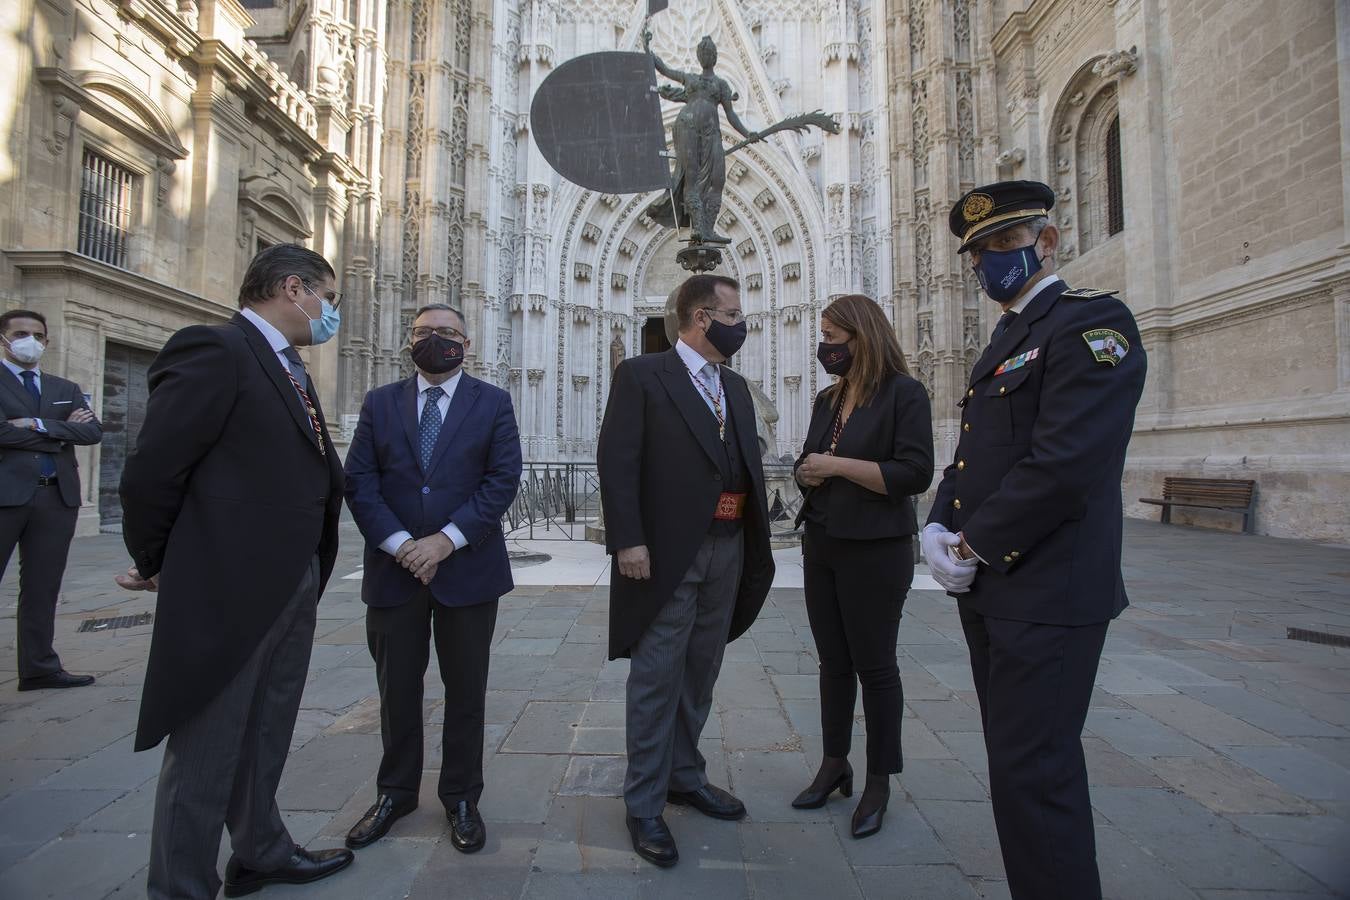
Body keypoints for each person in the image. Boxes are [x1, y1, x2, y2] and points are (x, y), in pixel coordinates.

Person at [920, 180, 1146, 900]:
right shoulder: (1012, 334)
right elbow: (975, 451)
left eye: (1006, 244)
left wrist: (969, 544)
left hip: (1047, 590)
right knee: (1019, 768)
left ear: (1047, 242)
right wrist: (937, 517)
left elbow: (1064, 465)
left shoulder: (1090, 325)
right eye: (980, 251)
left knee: (1036, 775)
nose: (990, 261)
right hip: (1000, 592)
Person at [117, 244, 353, 899]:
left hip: (290, 579)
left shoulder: (289, 367)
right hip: (229, 585)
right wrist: (158, 560)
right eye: (326, 298)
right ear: (291, 287)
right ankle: (180, 885)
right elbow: (151, 471)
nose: (330, 313)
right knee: (207, 745)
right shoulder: (216, 349)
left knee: (268, 727)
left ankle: (260, 850)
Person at [597, 273, 775, 868]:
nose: (740, 322)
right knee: (657, 674)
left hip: (729, 545)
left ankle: (683, 772)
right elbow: (617, 462)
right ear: (701, 317)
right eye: (732, 312)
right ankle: (644, 802)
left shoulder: (737, 388)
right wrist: (628, 540)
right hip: (668, 551)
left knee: (702, 667)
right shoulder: (644, 376)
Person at [342, 303, 522, 854]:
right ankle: (395, 793)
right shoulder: (380, 402)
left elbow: (501, 480)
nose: (435, 341)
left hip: (467, 570)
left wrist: (445, 541)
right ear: (408, 341)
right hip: (395, 572)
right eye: (423, 332)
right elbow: (360, 481)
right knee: (396, 691)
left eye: (447, 333)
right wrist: (402, 545)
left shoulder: (492, 402)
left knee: (466, 691)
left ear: (466, 343)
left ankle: (462, 796)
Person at [791, 294, 933, 838]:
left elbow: (914, 472)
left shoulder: (904, 394)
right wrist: (812, 472)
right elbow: (806, 464)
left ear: (862, 336)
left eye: (832, 337)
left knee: (875, 666)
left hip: (877, 548)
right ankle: (834, 763)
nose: (824, 347)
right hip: (823, 542)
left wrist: (837, 466)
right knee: (832, 662)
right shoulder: (829, 399)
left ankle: (878, 780)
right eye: (822, 336)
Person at [0, 310, 101, 691]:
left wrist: (35, 425)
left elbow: (91, 431)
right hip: (6, 495)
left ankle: (39, 667)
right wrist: (62, 431)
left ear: (47, 341)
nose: (31, 341)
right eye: (21, 333)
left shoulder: (65, 388)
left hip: (56, 497)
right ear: (4, 339)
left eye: (38, 335)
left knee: (43, 586)